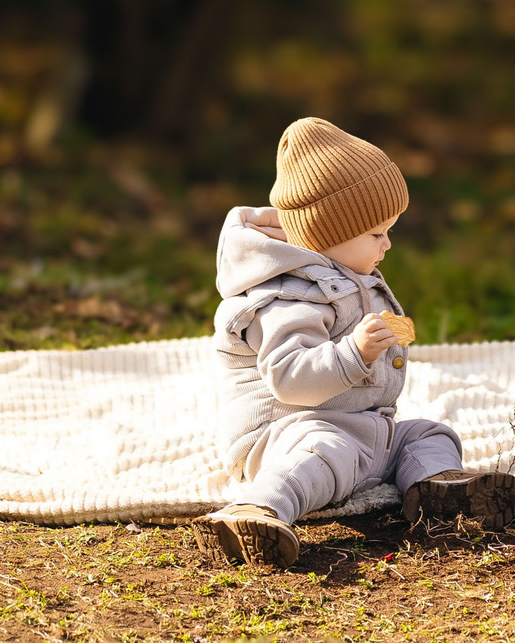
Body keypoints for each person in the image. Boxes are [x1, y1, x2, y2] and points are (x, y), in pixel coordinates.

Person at [202, 116, 499, 565]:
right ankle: (259, 508)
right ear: (327, 236)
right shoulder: (287, 295)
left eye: (389, 232)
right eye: (377, 234)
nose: (387, 246)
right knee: (325, 451)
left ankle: (441, 492)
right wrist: (354, 351)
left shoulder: (345, 274)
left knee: (429, 434)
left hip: (359, 426)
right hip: (286, 434)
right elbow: (289, 379)